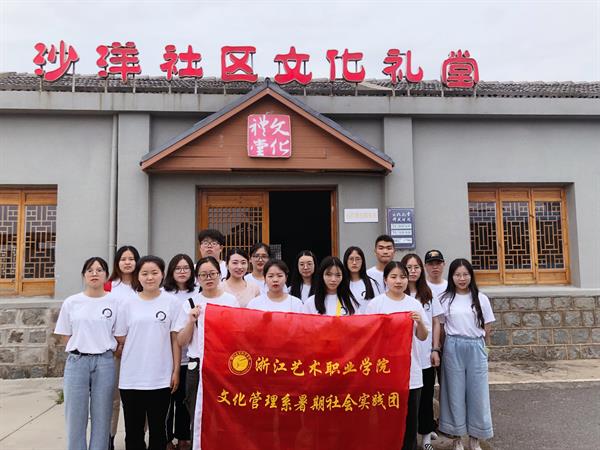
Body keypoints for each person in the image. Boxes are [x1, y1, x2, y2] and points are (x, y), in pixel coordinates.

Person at [115, 255, 181, 450]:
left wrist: (176, 370)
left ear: (162, 274)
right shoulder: (128, 303)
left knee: (158, 431)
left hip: (160, 377)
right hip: (131, 377)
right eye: (144, 273)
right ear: (138, 276)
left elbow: (175, 339)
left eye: (154, 273)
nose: (150, 277)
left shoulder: (172, 302)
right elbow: (120, 336)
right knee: (133, 432)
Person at [54, 257, 117, 450]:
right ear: (84, 275)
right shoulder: (72, 302)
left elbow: (119, 334)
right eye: (90, 270)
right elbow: (65, 335)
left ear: (106, 275)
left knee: (102, 414)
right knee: (75, 415)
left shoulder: (115, 302)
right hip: (77, 362)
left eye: (99, 270)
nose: (94, 273)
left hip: (105, 362)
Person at [365, 261, 428, 450]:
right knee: (385, 421)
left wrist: (420, 322)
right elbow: (368, 336)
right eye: (393, 277)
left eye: (402, 277)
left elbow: (423, 337)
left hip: (410, 374)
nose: (398, 281)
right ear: (385, 279)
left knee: (410, 424)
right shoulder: (376, 304)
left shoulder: (414, 304)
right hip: (384, 373)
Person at [433, 259, 495, 450]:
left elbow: (488, 326)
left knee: (478, 393)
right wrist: (439, 349)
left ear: (471, 276)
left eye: (465, 274)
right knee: (454, 393)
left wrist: (485, 350)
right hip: (453, 347)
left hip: (476, 346)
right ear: (451, 276)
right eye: (457, 275)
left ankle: (475, 438)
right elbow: (440, 326)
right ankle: (457, 438)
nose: (462, 278)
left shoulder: (481, 298)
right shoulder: (445, 299)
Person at [176, 256, 239, 427]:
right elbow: (181, 341)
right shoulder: (190, 303)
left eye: (212, 273)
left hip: (223, 365)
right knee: (196, 415)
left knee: (223, 413)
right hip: (197, 365)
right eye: (203, 275)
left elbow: (237, 335)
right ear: (197, 279)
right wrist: (191, 321)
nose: (208, 278)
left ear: (220, 275)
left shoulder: (230, 301)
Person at [400, 253, 438, 450]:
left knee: (426, 398)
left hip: (425, 354)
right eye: (409, 267)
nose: (413, 271)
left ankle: (426, 437)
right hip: (406, 357)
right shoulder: (398, 294)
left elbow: (435, 322)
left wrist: (435, 349)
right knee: (409, 402)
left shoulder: (428, 293)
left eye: (416, 267)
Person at [104, 245, 140, 450]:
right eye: (123, 259)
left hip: (139, 351)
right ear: (117, 262)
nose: (127, 262)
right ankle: (108, 437)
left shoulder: (143, 285)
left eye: (131, 258)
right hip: (115, 351)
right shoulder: (109, 286)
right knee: (114, 398)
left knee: (138, 398)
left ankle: (135, 437)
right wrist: (117, 346)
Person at [163, 254, 198, 450]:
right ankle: (167, 438)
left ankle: (184, 436)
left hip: (190, 356)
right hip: (167, 356)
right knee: (167, 400)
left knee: (185, 399)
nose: (182, 271)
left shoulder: (198, 292)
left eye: (186, 268)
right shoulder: (163, 293)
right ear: (171, 271)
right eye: (178, 268)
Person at [343, 246, 377, 311]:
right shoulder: (341, 284)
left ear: (362, 261)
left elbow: (377, 306)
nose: (354, 263)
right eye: (351, 259)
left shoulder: (371, 283)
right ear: (346, 261)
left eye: (358, 259)